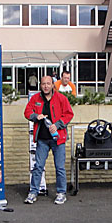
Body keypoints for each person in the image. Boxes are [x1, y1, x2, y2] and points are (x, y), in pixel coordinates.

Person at [23, 75, 74, 205]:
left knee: (60, 168)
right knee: (38, 166)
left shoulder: (61, 98)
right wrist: (36, 116)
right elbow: (27, 112)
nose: (46, 86)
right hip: (42, 140)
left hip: (58, 139)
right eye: (43, 84)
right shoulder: (35, 98)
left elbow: (69, 114)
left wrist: (57, 125)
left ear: (53, 85)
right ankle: (33, 192)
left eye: (48, 83)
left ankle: (61, 193)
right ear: (40, 85)